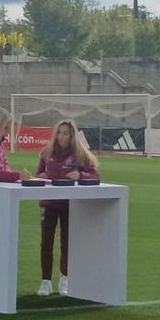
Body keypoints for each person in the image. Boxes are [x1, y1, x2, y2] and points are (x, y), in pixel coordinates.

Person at [35, 118, 100, 296]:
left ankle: (65, 279)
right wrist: (42, 175)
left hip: (69, 203)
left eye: (66, 133)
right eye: (59, 132)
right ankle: (45, 281)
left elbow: (94, 175)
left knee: (67, 242)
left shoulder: (80, 154)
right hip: (48, 202)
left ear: (72, 136)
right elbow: (38, 174)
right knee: (46, 242)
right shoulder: (46, 152)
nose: (61, 137)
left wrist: (79, 175)